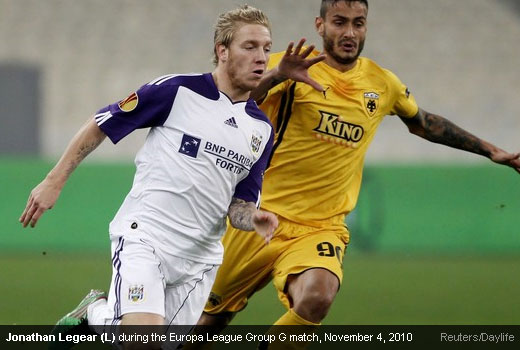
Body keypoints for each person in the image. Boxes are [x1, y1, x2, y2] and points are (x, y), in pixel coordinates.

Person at [197, 0, 520, 337]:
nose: (349, 32)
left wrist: (491, 150)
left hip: (321, 226)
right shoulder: (288, 66)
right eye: (339, 22)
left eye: (358, 23)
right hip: (261, 216)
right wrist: (277, 75)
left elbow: (424, 122)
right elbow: (231, 104)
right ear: (320, 26)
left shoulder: (382, 84)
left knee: (318, 296)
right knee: (210, 323)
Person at [19, 4, 278, 349]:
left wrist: (254, 218)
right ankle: (96, 311)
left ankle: (99, 315)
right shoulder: (177, 91)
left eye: (266, 48)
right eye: (249, 46)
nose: (261, 57)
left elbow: (240, 204)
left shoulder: (261, 129)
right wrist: (54, 181)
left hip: (199, 260)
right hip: (147, 237)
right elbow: (101, 124)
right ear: (222, 50)